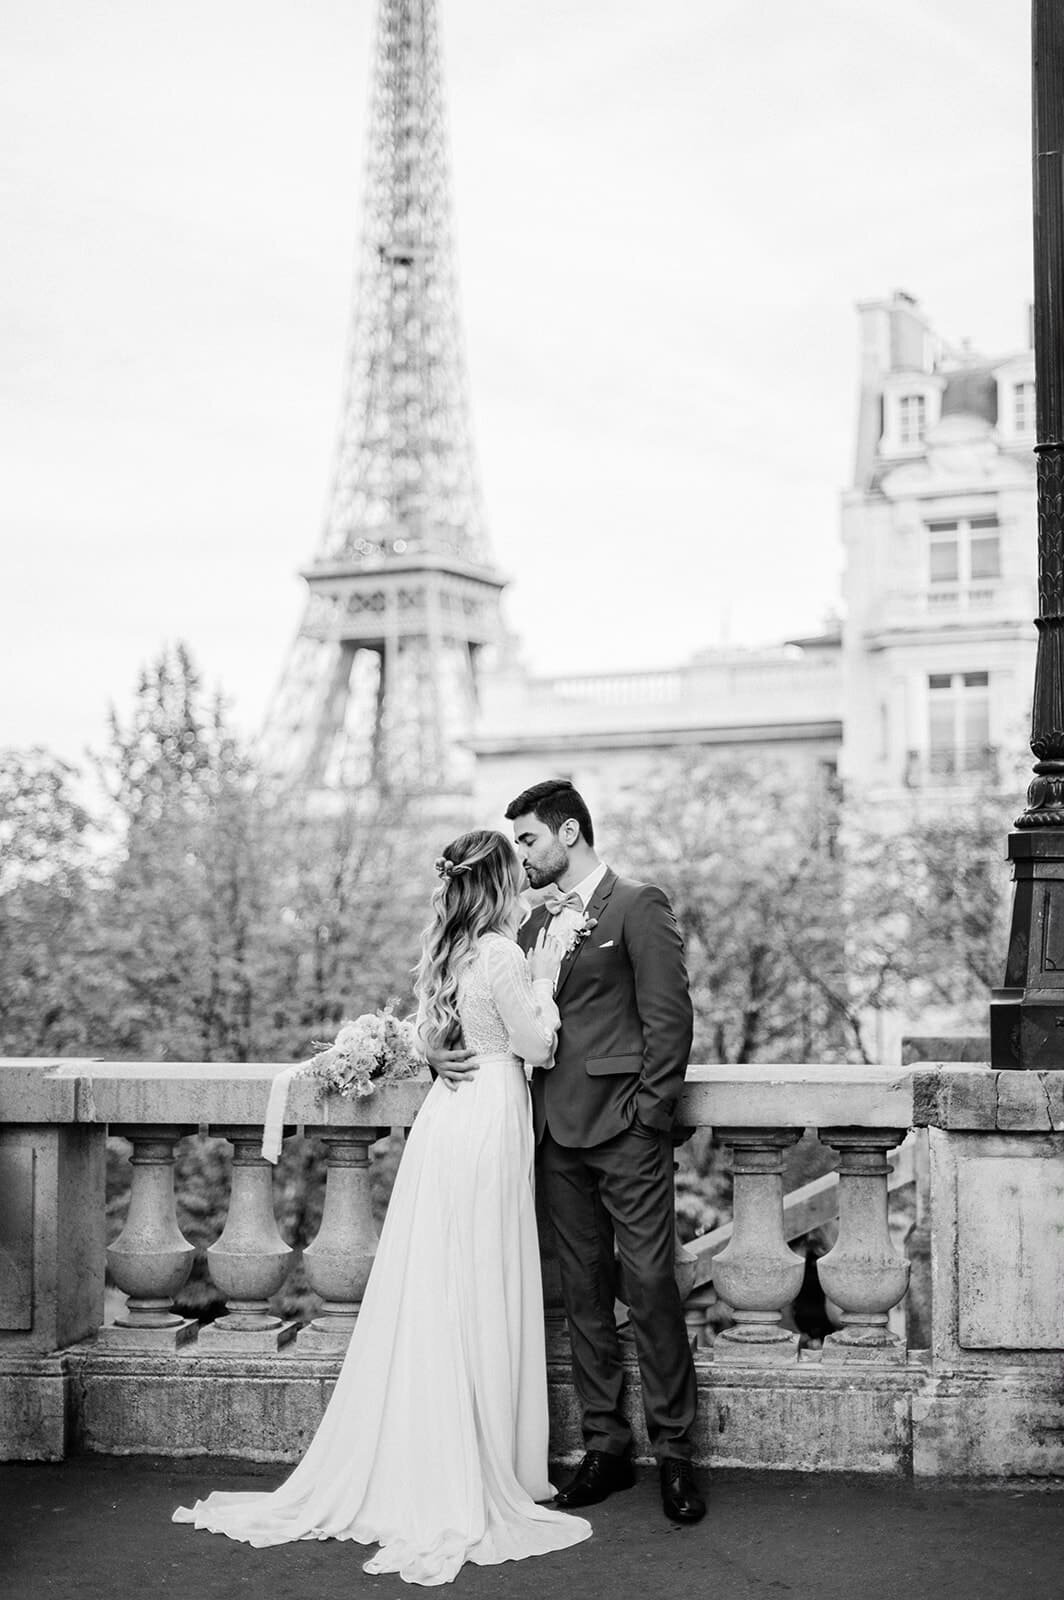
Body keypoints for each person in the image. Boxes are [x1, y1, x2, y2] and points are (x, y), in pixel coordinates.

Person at [173, 829, 592, 1587]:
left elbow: (440, 1033)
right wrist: (548, 991)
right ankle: (486, 1462)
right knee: (483, 1278)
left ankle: (438, 1449)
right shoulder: (499, 955)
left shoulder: (453, 953)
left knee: (442, 1284)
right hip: (490, 1111)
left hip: (446, 1121)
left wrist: (439, 1047)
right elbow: (537, 1048)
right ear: (499, 884)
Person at [428, 780, 705, 1524]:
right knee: (581, 1295)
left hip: (626, 1134)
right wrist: (432, 1051)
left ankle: (677, 1454)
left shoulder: (637, 905)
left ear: (570, 833)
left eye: (527, 840)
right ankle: (607, 1447)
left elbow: (669, 1019)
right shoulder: (521, 929)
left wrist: (649, 1118)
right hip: (547, 1136)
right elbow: (483, 1012)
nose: (519, 857)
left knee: (648, 1286)